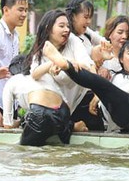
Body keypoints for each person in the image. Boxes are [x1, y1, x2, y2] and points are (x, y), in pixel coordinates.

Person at [16, 10, 92, 146]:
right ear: (48, 28)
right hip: (47, 112)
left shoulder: (73, 42)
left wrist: (66, 63)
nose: (67, 30)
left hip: (62, 110)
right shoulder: (40, 50)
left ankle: (69, 125)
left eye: (68, 26)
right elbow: (35, 74)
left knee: (29, 153)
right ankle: (70, 126)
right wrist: (53, 63)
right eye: (61, 26)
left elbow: (88, 67)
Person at [65, 0, 106, 130]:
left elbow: (105, 44)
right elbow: (89, 64)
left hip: (86, 91)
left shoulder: (86, 35)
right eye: (85, 17)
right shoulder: (67, 38)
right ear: (73, 16)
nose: (88, 21)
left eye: (90, 18)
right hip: (71, 94)